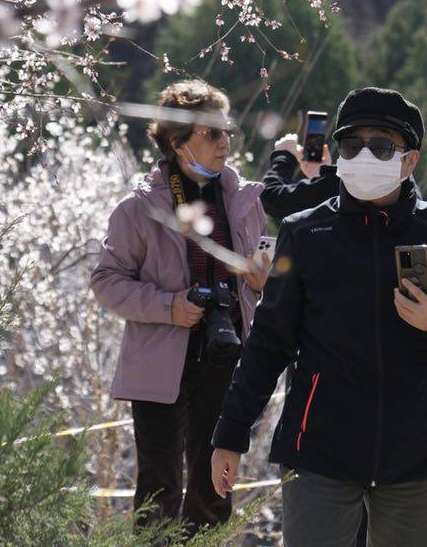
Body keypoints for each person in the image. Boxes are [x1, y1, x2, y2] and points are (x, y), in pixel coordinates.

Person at [210, 87, 427, 547]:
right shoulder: (305, 232)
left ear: (410, 160)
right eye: (352, 145)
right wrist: (230, 433)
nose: (365, 155)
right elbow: (269, 343)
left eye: (382, 146)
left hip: (416, 454)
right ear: (338, 156)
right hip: (318, 451)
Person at [91, 79, 271, 538]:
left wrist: (260, 283)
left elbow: (259, 283)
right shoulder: (139, 208)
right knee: (159, 490)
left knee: (216, 488)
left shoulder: (245, 202)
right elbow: (107, 282)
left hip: (225, 355)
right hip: (159, 362)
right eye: (211, 134)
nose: (224, 143)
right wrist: (171, 307)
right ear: (176, 143)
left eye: (226, 131)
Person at [263, 130, 340, 219]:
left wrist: (283, 155)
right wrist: (320, 177)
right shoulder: (343, 184)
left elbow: (271, 197)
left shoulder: (341, 183)